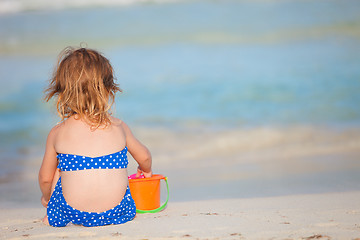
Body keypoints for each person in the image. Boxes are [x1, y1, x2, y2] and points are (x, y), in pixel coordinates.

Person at [38, 47, 152, 227]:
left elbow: (45, 178)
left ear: (62, 92)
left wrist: (47, 198)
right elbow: (144, 156)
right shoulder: (119, 127)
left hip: (72, 212)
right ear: (108, 89)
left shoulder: (57, 133)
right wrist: (145, 170)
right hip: (118, 211)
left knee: (60, 169)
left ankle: (53, 215)